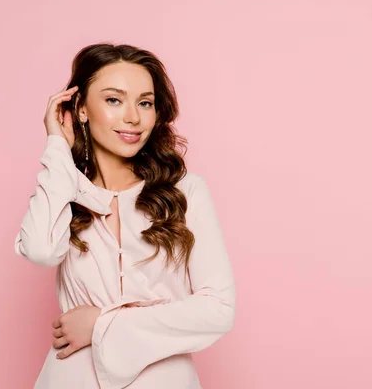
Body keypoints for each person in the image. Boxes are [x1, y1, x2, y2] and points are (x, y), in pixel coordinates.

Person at [14, 43, 236, 389]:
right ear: (81, 109)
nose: (133, 116)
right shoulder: (62, 189)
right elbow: (41, 250)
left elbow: (218, 309)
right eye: (114, 100)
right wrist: (57, 147)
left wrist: (100, 325)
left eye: (144, 102)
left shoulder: (185, 191)